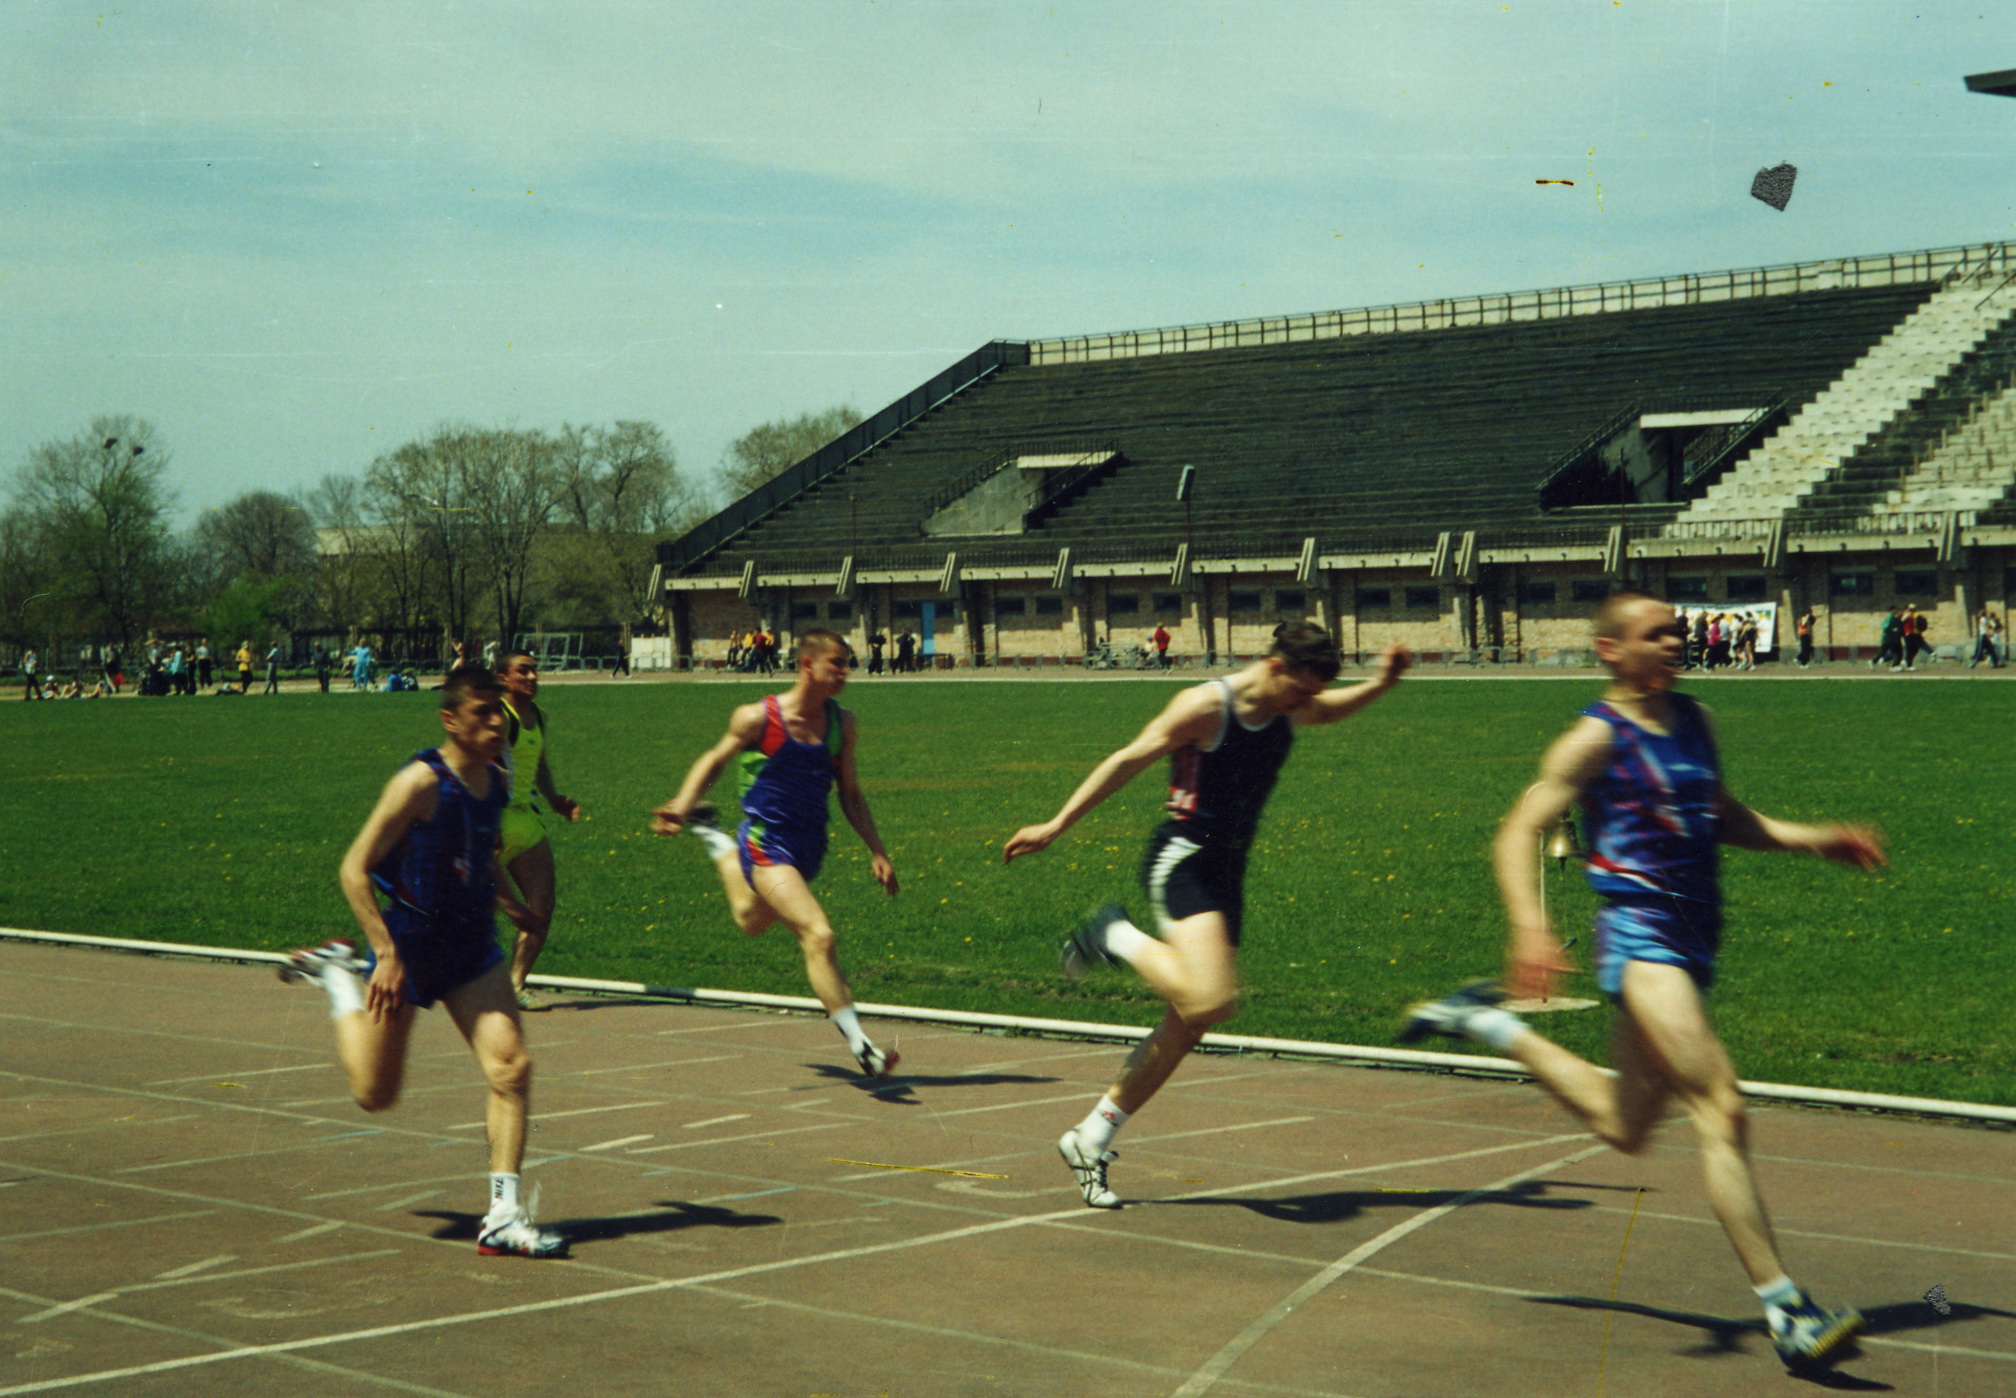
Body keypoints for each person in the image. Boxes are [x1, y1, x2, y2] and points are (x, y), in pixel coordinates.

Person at [1401, 590, 1882, 1373]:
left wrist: (1814, 841)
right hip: (1640, 933)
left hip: (1695, 936)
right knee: (1720, 1104)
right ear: (1611, 651)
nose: (1673, 641)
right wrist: (1528, 923)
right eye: (1655, 634)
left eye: (1677, 631)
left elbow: (1723, 817)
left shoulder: (1694, 719)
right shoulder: (1595, 739)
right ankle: (1787, 1311)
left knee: (1627, 1127)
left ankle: (1487, 1024)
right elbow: (1521, 828)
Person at [1004, 624, 1410, 1209]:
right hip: (1183, 860)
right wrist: (1056, 824)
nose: (1304, 704)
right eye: (1299, 690)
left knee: (1189, 1021)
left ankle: (1090, 1137)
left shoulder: (1286, 705)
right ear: (1274, 666)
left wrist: (1382, 683)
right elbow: (1130, 758)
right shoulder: (1205, 706)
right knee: (1211, 1000)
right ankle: (1111, 932)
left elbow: (1327, 711)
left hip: (1227, 874)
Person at [278, 663, 563, 1257]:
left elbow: (478, 855)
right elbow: (354, 868)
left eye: (498, 711)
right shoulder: (419, 783)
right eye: (483, 712)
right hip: (409, 946)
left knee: (511, 1066)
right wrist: (382, 953)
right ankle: (336, 977)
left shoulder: (498, 777)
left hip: (470, 947)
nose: (496, 722)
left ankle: (504, 1215)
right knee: (374, 1095)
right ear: (450, 719)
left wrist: (510, 906)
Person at [652, 629, 902, 1077]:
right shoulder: (757, 718)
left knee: (750, 920)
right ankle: (861, 1045)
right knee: (818, 934)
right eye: (837, 663)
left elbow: (850, 793)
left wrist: (877, 850)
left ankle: (713, 838)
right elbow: (714, 761)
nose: (846, 672)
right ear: (808, 665)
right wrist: (682, 802)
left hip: (809, 847)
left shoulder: (843, 724)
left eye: (848, 663)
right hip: (767, 843)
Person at [493, 652, 583, 1011]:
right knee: (467, 906)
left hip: (526, 820)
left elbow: (539, 763)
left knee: (541, 906)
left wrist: (554, 798)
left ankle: (515, 983)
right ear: (502, 678)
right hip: (494, 821)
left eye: (534, 671)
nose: (532, 677)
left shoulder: (539, 717)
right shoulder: (496, 716)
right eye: (522, 671)